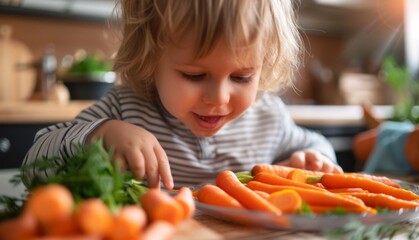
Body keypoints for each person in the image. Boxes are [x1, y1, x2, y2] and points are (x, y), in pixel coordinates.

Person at [22, 0, 342, 189]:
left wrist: (315, 159)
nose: (219, 97)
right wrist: (100, 135)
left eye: (242, 77)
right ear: (150, 58)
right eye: (194, 75)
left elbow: (317, 144)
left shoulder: (269, 118)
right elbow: (33, 164)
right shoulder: (126, 108)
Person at [353, 120, 419, 176]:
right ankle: (378, 125)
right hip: (405, 134)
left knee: (359, 145)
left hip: (400, 144)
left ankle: (379, 126)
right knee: (358, 143)